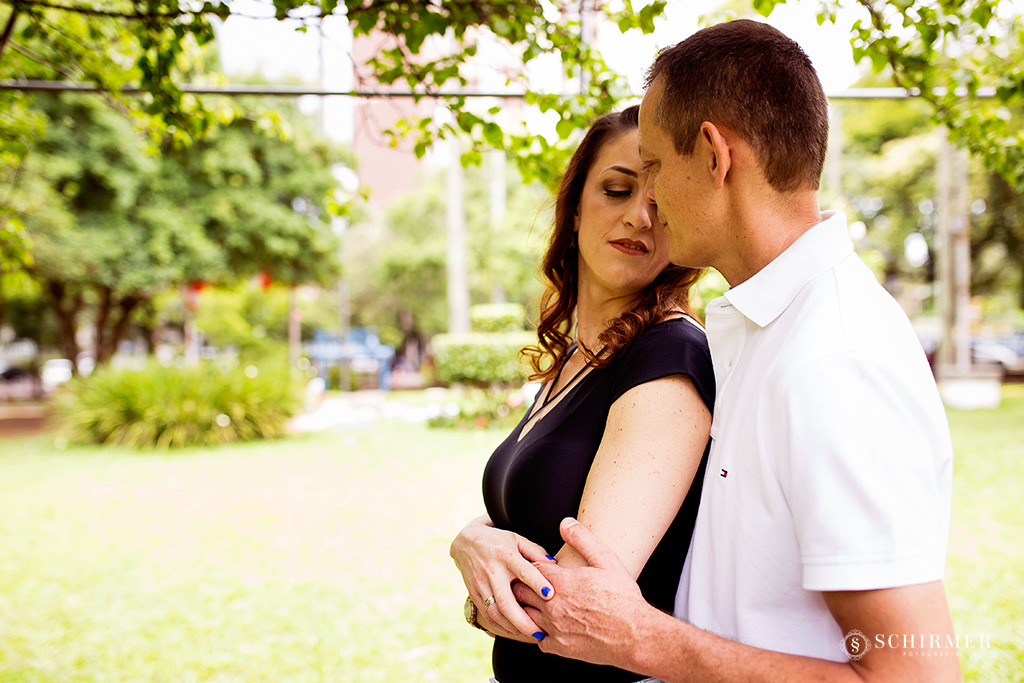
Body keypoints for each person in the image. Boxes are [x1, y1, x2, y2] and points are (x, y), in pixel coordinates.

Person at [512, 19, 961, 682]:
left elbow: (914, 678)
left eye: (657, 166)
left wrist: (642, 640)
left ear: (715, 156)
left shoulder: (835, 357)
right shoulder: (762, 327)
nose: (651, 202)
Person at [449, 105, 715, 682]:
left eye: (660, 199)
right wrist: (470, 538)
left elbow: (569, 602)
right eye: (616, 190)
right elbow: (536, 522)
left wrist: (477, 581)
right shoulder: (576, 357)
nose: (639, 217)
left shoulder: (669, 357)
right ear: (573, 209)